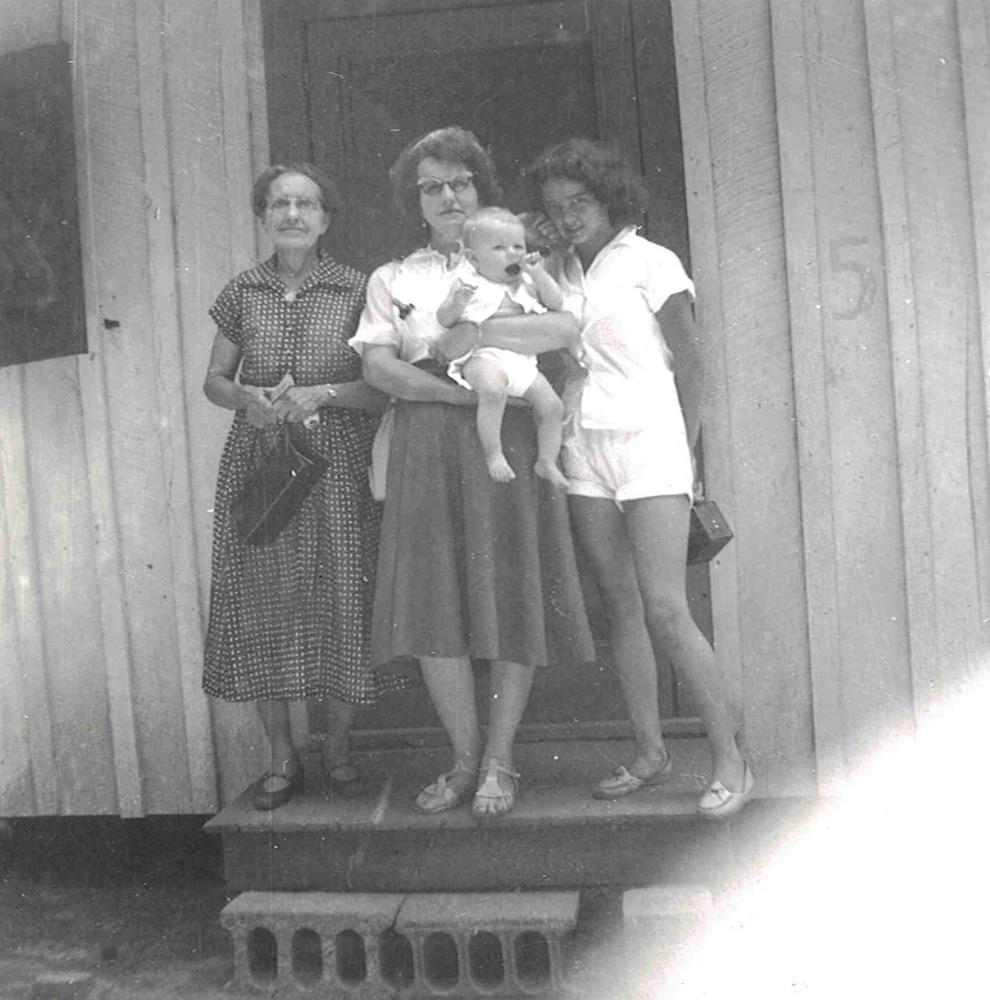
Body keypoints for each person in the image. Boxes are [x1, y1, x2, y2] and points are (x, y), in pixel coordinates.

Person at [349, 127, 595, 820]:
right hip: (431, 441)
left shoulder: (520, 262)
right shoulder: (395, 278)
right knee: (435, 604)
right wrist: (463, 388)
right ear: (416, 200)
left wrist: (469, 341)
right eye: (433, 186)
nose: (449, 195)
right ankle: (462, 756)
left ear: (481, 190)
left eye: (461, 182)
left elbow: (561, 334)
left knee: (511, 590)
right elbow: (380, 368)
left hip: (509, 438)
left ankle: (499, 759)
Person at [524, 138, 755, 819]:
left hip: (651, 446)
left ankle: (730, 760)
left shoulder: (652, 262)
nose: (568, 218)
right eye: (555, 208)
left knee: (665, 608)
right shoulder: (554, 272)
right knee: (618, 606)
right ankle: (650, 752)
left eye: (580, 203)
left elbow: (693, 366)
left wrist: (682, 459)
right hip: (584, 446)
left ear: (609, 199)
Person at [202, 163, 393, 811]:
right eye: (279, 203)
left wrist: (325, 391)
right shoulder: (242, 291)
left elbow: (378, 388)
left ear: (326, 218)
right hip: (261, 459)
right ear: (263, 216)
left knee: (341, 593)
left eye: (306, 204)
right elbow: (214, 381)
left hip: (333, 460)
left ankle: (336, 752)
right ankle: (281, 757)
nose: (292, 214)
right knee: (263, 602)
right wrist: (245, 398)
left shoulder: (358, 290)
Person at [436, 206, 568, 487]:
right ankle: (494, 454)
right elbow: (444, 320)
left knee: (553, 406)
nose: (513, 254)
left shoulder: (527, 283)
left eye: (518, 246)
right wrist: (457, 303)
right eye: (499, 248)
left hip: (522, 361)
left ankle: (547, 460)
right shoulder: (468, 283)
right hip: (483, 358)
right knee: (493, 392)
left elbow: (556, 303)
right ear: (473, 258)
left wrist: (541, 275)